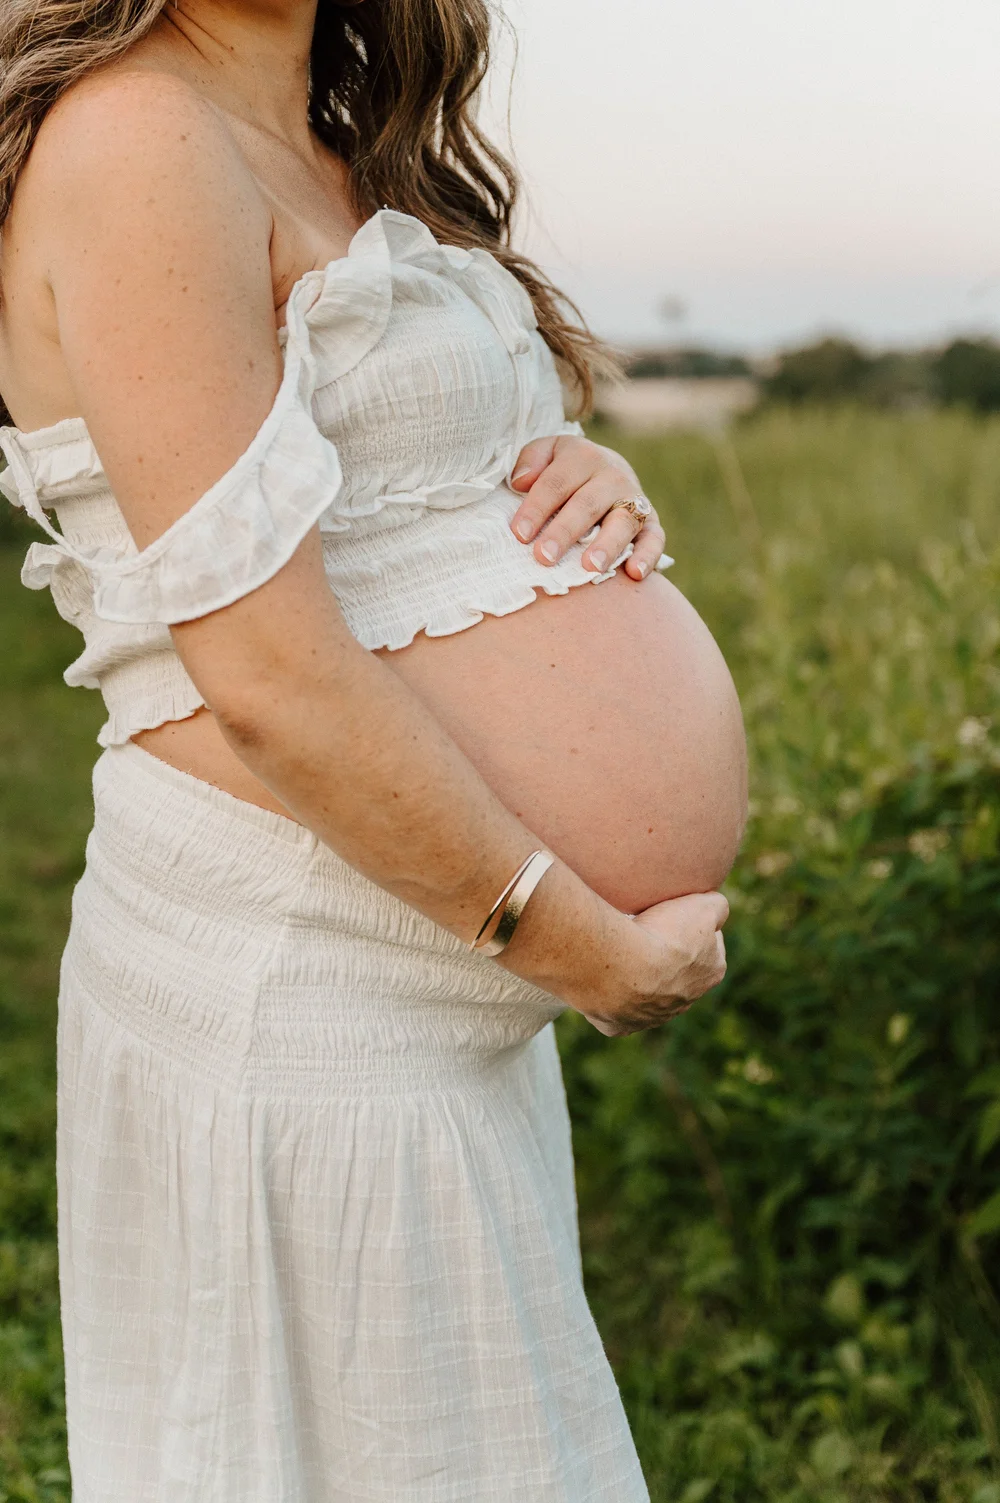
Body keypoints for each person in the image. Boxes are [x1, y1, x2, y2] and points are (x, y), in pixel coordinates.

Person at [0, 0, 746, 1496]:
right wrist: (576, 946)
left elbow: (387, 485)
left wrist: (573, 485)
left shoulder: (333, 142)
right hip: (301, 984)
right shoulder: (141, 136)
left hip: (417, 977)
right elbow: (265, 672)